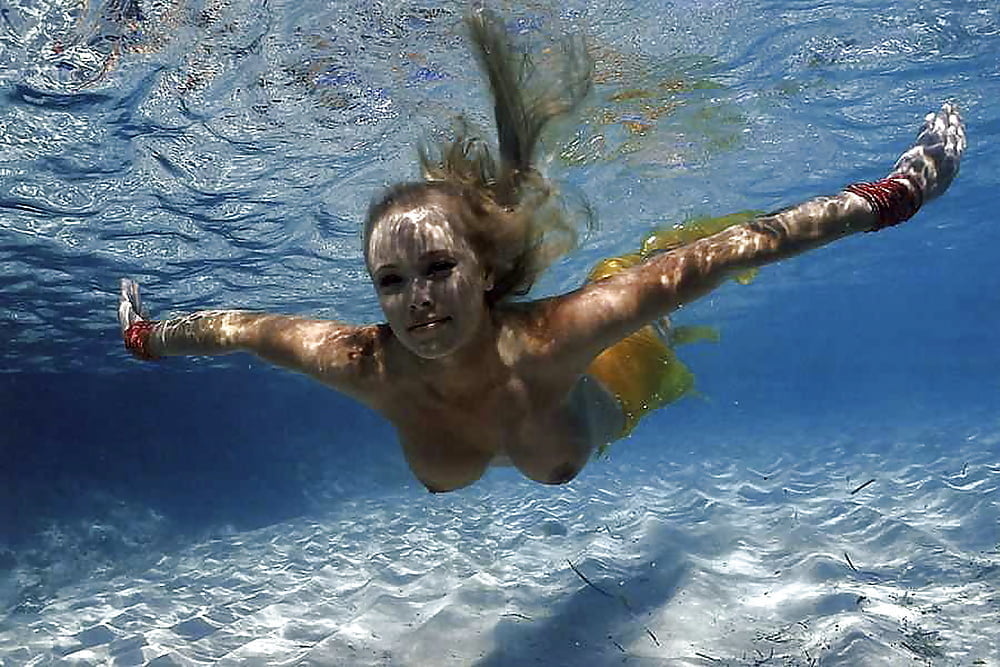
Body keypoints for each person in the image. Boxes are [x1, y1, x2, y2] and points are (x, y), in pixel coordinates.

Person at [118, 10, 966, 493]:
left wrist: (893, 196)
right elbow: (230, 328)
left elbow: (721, 254)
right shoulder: (357, 361)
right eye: (391, 278)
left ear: (483, 272)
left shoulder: (558, 336)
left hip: (615, 379)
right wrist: (147, 339)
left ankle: (647, 327)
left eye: (439, 267)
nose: (417, 297)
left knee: (656, 289)